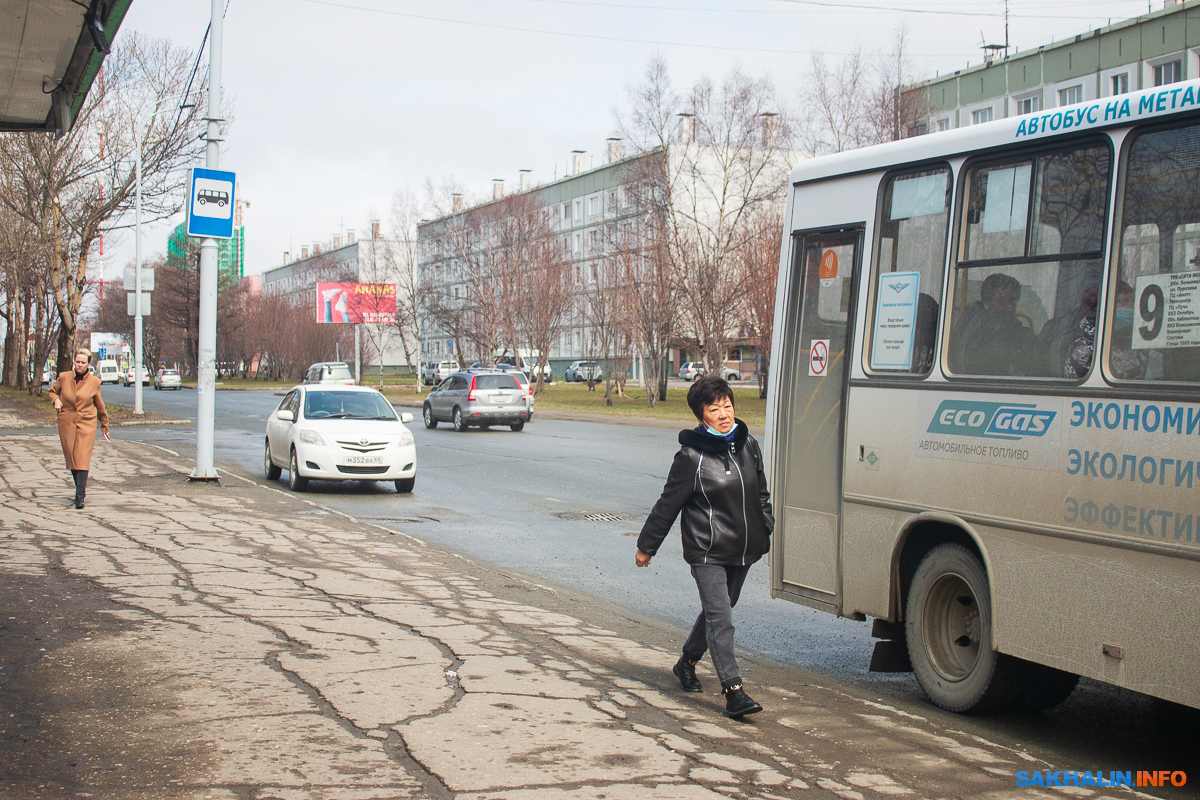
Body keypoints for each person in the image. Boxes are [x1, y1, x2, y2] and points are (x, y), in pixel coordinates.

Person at [635, 375, 773, 719]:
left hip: (743, 548)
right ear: (701, 416)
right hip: (707, 549)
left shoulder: (747, 444)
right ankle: (734, 691)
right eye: (715, 409)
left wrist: (764, 525)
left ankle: (686, 663)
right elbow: (668, 504)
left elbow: (761, 493)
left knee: (718, 611)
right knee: (721, 618)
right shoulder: (691, 456)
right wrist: (646, 547)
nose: (724, 414)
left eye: (727, 405)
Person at [48, 348, 109, 509]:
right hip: (67, 422)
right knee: (72, 459)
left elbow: (99, 405)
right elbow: (52, 392)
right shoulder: (64, 377)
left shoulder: (94, 382)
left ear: (88, 364)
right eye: (77, 362)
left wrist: (104, 425)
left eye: (83, 362)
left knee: (82, 458)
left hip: (86, 423)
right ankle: (79, 488)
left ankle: (80, 495)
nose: (79, 365)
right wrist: (56, 401)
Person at [950, 273, 1039, 375]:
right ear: (986, 302)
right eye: (1002, 300)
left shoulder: (970, 322)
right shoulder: (982, 331)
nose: (1010, 306)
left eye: (1013, 301)